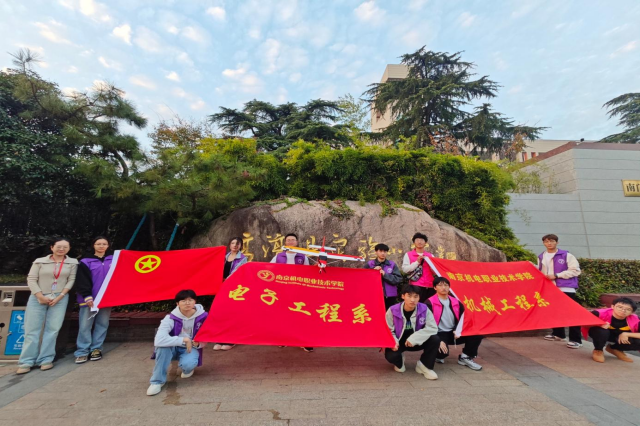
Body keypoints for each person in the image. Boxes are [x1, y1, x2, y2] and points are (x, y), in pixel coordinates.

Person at [17, 238, 78, 374]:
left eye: (65, 247)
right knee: (32, 329)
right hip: (38, 297)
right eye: (59, 246)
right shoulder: (40, 261)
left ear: (69, 249)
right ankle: (26, 361)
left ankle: (46, 359)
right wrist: (40, 296)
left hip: (60, 297)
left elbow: (71, 280)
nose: (61, 249)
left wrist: (60, 296)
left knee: (53, 329)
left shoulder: (72, 263)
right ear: (52, 247)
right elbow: (31, 279)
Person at [147, 289, 208, 396]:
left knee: (188, 365)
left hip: (189, 348)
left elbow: (208, 335)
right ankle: (157, 381)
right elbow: (159, 340)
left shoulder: (203, 317)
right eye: (183, 301)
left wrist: (199, 344)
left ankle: (187, 369)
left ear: (195, 302)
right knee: (161, 348)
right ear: (177, 303)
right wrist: (184, 340)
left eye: (190, 300)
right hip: (172, 346)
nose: (187, 303)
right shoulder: (170, 318)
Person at [425, 277, 483, 371]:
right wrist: (437, 339)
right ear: (435, 287)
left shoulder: (456, 302)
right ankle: (437, 355)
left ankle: (465, 357)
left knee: (477, 333)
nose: (444, 287)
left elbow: (464, 318)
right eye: (440, 285)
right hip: (438, 333)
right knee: (442, 353)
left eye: (446, 285)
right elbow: (426, 324)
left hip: (454, 332)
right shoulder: (429, 303)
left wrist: (457, 329)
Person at [384, 284, 440, 380]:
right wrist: (394, 342)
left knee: (435, 339)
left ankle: (424, 366)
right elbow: (388, 329)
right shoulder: (393, 310)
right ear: (403, 296)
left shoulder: (424, 309)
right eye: (409, 296)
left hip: (417, 341)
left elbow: (432, 328)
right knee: (392, 357)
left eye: (415, 296)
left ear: (419, 297)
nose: (412, 300)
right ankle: (400, 360)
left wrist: (414, 338)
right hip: (399, 342)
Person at [537, 234, 583, 349]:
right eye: (546, 241)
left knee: (572, 313)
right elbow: (540, 272)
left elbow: (575, 271)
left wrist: (557, 275)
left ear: (557, 242)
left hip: (566, 288)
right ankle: (558, 334)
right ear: (543, 243)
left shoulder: (567, 255)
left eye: (552, 241)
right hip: (550, 288)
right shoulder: (541, 256)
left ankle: (576, 340)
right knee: (554, 312)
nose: (549, 243)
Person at [74, 236, 113, 364]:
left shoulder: (113, 260)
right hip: (88, 299)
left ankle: (96, 348)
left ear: (108, 246)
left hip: (106, 298)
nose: (101, 246)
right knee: (85, 325)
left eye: (104, 244)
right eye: (98, 244)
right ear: (93, 245)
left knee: (102, 324)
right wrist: (87, 295)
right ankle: (82, 351)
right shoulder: (85, 261)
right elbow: (82, 280)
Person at [271, 233, 312, 352]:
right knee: (284, 314)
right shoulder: (278, 256)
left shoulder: (303, 257)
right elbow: (269, 268)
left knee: (301, 315)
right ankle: (283, 338)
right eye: (288, 240)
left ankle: (302, 340)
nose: (290, 242)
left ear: (297, 242)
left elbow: (308, 273)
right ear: (285, 242)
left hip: (299, 290)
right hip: (282, 290)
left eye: (293, 240)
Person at [213, 236, 248, 352]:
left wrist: (226, 282)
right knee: (221, 313)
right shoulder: (223, 257)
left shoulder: (243, 259)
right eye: (233, 243)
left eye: (238, 244)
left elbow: (237, 273)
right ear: (229, 244)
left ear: (241, 246)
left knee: (231, 313)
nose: (235, 245)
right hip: (220, 288)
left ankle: (231, 339)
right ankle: (220, 338)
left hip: (233, 289)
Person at [583, 297, 640, 363]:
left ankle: (615, 349)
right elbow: (584, 324)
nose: (623, 310)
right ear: (612, 306)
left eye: (628, 309)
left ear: (632, 312)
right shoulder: (598, 313)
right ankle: (598, 350)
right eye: (620, 307)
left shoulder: (636, 319)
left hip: (619, 337)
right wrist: (599, 325)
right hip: (601, 334)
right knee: (601, 331)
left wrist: (626, 334)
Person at [364, 243, 403, 310]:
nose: (383, 253)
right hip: (373, 295)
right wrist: (373, 271)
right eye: (380, 251)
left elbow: (398, 279)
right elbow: (363, 278)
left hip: (390, 296)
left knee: (389, 314)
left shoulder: (392, 264)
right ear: (376, 252)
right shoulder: (370, 264)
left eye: (385, 251)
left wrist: (385, 275)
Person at [402, 232, 435, 303]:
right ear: (414, 242)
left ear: (425, 243)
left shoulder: (430, 256)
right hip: (415, 285)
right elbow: (405, 270)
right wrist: (417, 262)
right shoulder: (408, 254)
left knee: (429, 305)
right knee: (416, 305)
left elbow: (434, 272)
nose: (419, 242)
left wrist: (432, 267)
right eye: (417, 240)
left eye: (422, 240)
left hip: (430, 285)